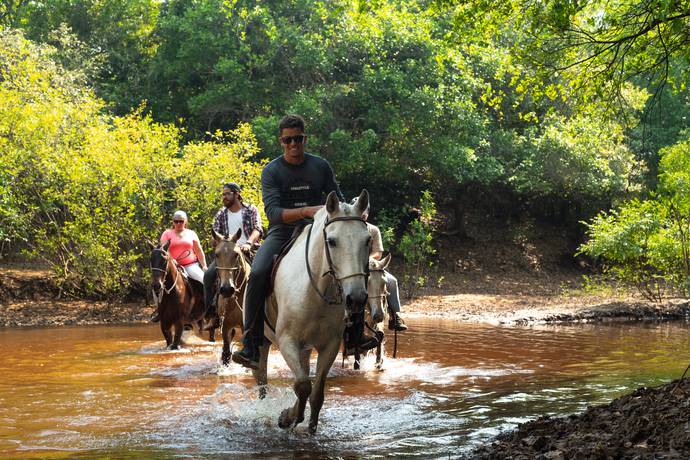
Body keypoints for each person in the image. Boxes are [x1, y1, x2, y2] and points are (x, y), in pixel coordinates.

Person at [232, 114, 344, 369]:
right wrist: (307, 210)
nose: (293, 144)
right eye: (288, 140)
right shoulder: (272, 170)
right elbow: (272, 214)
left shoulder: (320, 166)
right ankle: (251, 343)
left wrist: (352, 214)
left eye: (298, 139)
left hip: (319, 230)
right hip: (283, 232)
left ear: (305, 138)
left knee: (351, 265)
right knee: (258, 273)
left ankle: (356, 333)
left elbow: (338, 198)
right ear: (281, 141)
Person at [203, 182, 263, 318]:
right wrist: (216, 240)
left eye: (227, 194)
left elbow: (258, 229)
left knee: (262, 274)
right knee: (208, 276)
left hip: (249, 250)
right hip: (227, 254)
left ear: (237, 194)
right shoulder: (221, 214)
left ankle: (264, 311)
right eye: (223, 194)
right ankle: (211, 314)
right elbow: (215, 236)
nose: (224, 197)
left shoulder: (250, 209)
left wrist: (248, 243)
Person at [358, 201, 408, 332]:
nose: (362, 214)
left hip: (371, 267)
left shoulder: (373, 230)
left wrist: (368, 259)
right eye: (359, 211)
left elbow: (378, 253)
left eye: (364, 212)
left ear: (367, 214)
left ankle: (395, 316)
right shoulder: (344, 229)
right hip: (351, 269)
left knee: (392, 281)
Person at [152, 210, 207, 322]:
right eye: (176, 221)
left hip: (191, 265)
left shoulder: (191, 233)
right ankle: (159, 309)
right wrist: (172, 261)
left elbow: (199, 251)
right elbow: (162, 250)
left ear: (185, 221)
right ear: (173, 222)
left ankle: (209, 307)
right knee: (157, 284)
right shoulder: (167, 233)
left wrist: (204, 266)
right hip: (172, 267)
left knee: (204, 280)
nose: (178, 224)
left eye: (181, 221)